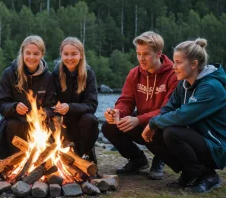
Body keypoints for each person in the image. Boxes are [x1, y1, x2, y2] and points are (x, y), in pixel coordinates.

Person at [142, 38, 225, 193]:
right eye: (174, 62)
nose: (174, 67)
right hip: (199, 140)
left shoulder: (211, 87)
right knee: (158, 132)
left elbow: (183, 116)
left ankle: (207, 175)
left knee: (171, 132)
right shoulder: (184, 84)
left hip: (216, 146)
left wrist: (153, 122)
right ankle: (190, 172)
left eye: (178, 62)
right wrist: (153, 124)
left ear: (193, 64)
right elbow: (168, 108)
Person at [101, 31, 178, 179]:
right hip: (142, 120)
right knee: (109, 126)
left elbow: (168, 110)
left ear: (158, 53)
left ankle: (160, 158)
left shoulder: (173, 75)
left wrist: (138, 120)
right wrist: (118, 112)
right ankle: (138, 159)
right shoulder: (134, 73)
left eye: (146, 54)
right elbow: (126, 100)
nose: (141, 59)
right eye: (138, 53)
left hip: (163, 124)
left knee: (163, 129)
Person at [0, 35, 56, 159]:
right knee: (12, 124)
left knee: (49, 128)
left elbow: (52, 107)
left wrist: (43, 113)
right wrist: (14, 107)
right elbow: (1, 105)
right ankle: (14, 162)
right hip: (16, 122)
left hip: (39, 124)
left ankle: (41, 161)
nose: (31, 57)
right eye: (28, 53)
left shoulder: (48, 77)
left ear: (42, 55)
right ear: (22, 53)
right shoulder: (9, 73)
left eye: (36, 54)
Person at [52, 37, 99, 163]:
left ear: (81, 55)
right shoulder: (55, 74)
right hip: (61, 122)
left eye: (74, 54)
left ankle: (86, 155)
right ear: (61, 54)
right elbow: (49, 100)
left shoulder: (89, 74)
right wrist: (56, 109)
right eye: (66, 54)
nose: (69, 58)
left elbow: (92, 105)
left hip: (80, 121)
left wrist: (70, 107)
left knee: (91, 119)